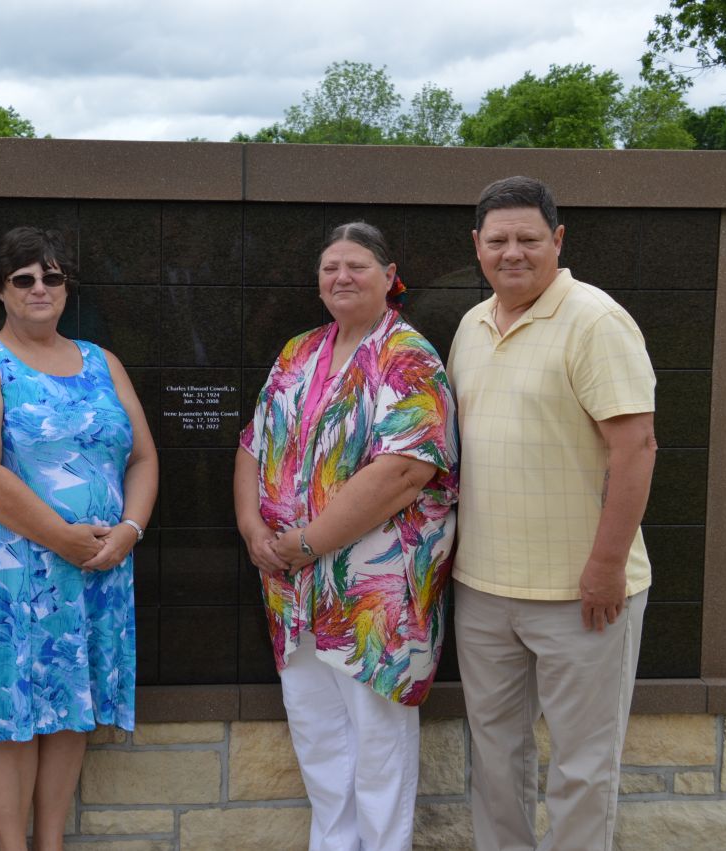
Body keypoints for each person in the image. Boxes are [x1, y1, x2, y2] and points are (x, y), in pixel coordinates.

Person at [448, 175, 657, 851]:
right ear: (477, 245)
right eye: (498, 240)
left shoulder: (595, 321)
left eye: (528, 238)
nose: (512, 252)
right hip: (484, 590)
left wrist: (605, 566)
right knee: (495, 760)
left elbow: (636, 446)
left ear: (557, 240)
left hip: (581, 595)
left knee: (582, 767)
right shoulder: (471, 326)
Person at [234, 222, 458, 851]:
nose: (341, 277)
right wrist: (252, 529)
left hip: (372, 597)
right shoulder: (299, 351)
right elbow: (253, 443)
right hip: (291, 591)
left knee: (379, 747)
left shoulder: (409, 357)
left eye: (356, 265)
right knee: (319, 741)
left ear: (390, 277)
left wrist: (307, 542)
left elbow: (405, 471)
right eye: (330, 267)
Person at [0, 226, 157, 851]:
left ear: (67, 288)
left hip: (98, 568)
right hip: (13, 574)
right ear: (1, 290)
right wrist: (61, 537)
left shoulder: (102, 361)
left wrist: (130, 530)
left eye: (53, 277)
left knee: (70, 707)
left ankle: (52, 843)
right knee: (11, 715)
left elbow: (143, 457)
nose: (40, 288)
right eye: (25, 278)